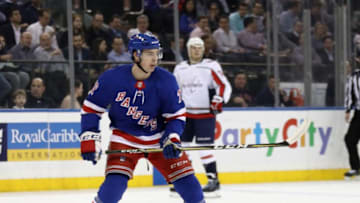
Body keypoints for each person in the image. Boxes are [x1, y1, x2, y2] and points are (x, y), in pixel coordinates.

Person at [79, 33, 205, 203]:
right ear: (136, 54)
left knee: (192, 189)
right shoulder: (112, 78)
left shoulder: (166, 80)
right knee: (113, 189)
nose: (155, 59)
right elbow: (91, 108)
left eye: (156, 53)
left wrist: (172, 137)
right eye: (149, 54)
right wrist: (89, 135)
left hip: (159, 138)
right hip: (125, 138)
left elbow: (176, 116)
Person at [173, 37, 232, 194]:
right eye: (193, 47)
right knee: (182, 148)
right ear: (188, 49)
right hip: (185, 115)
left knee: (204, 148)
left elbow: (223, 85)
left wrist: (219, 99)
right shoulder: (180, 68)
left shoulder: (211, 66)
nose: (197, 50)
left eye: (199, 47)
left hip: (205, 114)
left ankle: (214, 180)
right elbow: (174, 91)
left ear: (204, 49)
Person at [344, 63, 360, 179]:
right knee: (350, 139)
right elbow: (350, 94)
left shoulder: (354, 77)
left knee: (350, 139)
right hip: (359, 113)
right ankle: (356, 167)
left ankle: (356, 167)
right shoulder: (354, 77)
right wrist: (348, 110)